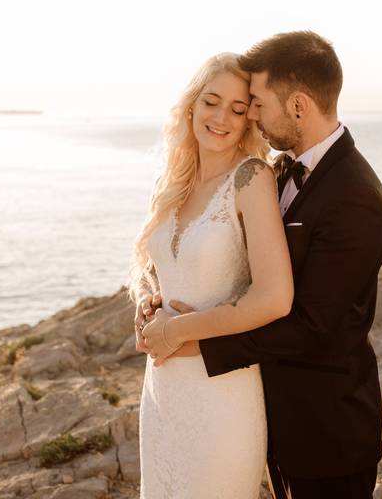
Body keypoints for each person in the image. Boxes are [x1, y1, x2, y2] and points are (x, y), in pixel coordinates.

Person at [141, 31, 382, 499]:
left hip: (325, 427)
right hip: (263, 406)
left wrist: (191, 339)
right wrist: (158, 300)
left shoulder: (354, 196)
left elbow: (312, 325)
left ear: (297, 106)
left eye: (253, 104)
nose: (249, 115)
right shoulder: (279, 172)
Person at [130, 52, 294, 498]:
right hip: (163, 391)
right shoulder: (175, 180)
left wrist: (177, 331)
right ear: (191, 105)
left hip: (222, 396)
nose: (221, 117)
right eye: (211, 101)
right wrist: (151, 300)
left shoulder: (252, 178)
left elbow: (274, 298)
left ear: (248, 122)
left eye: (238, 110)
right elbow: (166, 270)